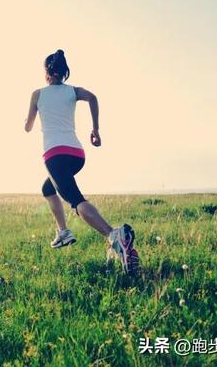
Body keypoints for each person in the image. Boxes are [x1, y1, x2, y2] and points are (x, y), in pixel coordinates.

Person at [24, 49, 140, 274]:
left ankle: (113, 236)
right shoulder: (73, 91)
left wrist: (27, 120)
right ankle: (63, 232)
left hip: (54, 155)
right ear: (64, 71)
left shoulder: (37, 94)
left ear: (46, 72)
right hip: (76, 154)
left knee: (76, 200)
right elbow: (93, 98)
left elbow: (28, 127)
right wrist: (95, 130)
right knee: (48, 188)